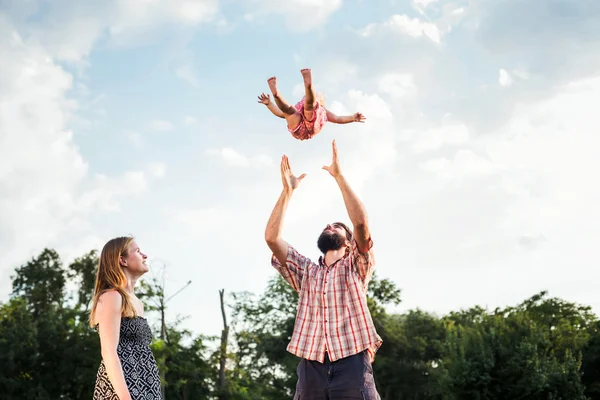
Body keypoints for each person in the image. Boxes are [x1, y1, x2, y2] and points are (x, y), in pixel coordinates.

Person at [265, 140, 382, 399]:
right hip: (311, 367)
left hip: (351, 362)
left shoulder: (356, 266)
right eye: (329, 224)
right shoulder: (307, 272)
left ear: (350, 244)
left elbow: (361, 223)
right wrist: (287, 192)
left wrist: (339, 177)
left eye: (338, 226)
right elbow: (272, 239)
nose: (330, 225)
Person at [89, 236, 162, 400]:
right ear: (122, 260)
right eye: (137, 251)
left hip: (146, 385)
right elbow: (108, 351)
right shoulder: (112, 296)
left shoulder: (137, 303)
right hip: (123, 389)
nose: (145, 255)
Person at [258, 68, 366, 141]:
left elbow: (280, 113)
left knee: (289, 111)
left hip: (299, 129)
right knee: (295, 110)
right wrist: (352, 118)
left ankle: (278, 95)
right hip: (304, 129)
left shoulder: (321, 111)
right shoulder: (318, 112)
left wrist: (270, 104)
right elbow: (338, 119)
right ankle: (306, 87)